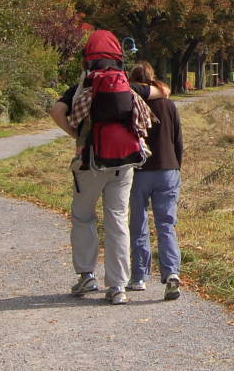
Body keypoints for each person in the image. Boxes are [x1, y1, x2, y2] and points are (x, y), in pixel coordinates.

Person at [48, 30, 169, 305]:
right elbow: (162, 91)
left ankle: (87, 275)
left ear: (87, 59)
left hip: (90, 162)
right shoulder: (126, 85)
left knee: (83, 217)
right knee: (117, 220)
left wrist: (77, 135)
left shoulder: (82, 88)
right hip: (124, 162)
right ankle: (118, 287)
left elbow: (57, 112)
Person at [125, 61, 184, 300]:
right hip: (168, 168)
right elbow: (178, 139)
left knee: (138, 223)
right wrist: (177, 165)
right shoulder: (169, 105)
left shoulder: (130, 103)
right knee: (166, 224)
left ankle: (139, 276)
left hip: (140, 170)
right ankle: (171, 273)